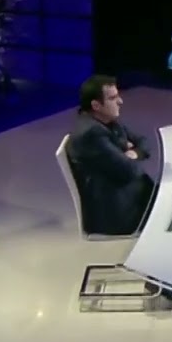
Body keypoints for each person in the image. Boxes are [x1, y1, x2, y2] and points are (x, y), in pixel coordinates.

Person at [66, 75, 155, 236]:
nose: (120, 101)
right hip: (118, 215)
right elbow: (129, 171)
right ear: (96, 105)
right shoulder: (91, 134)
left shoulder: (108, 121)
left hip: (130, 196)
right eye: (113, 98)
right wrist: (128, 152)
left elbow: (143, 142)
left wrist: (133, 153)